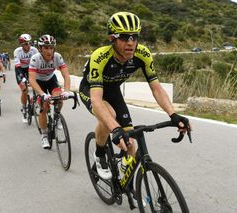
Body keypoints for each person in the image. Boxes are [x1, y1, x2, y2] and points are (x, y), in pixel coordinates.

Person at [79, 12, 191, 180]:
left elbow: (157, 88)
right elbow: (96, 100)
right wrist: (115, 129)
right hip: (91, 90)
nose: (131, 43)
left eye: (134, 37)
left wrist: (173, 114)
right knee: (109, 115)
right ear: (112, 38)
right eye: (124, 37)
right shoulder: (100, 56)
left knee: (130, 142)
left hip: (113, 91)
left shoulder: (143, 54)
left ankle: (129, 184)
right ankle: (100, 154)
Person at [29, 34, 72, 149]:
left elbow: (66, 76)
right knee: (44, 107)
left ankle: (57, 117)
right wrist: (42, 94)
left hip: (51, 80)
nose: (49, 51)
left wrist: (67, 91)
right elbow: (32, 80)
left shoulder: (57, 57)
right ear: (40, 49)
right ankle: (44, 134)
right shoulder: (35, 59)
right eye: (46, 48)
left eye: (51, 47)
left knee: (59, 98)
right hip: (39, 82)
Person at [14, 33, 39, 122]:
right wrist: (22, 77)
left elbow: (38, 63)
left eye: (29, 43)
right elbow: (17, 66)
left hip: (31, 69)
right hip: (21, 70)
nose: (28, 45)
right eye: (25, 44)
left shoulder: (34, 50)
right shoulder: (17, 51)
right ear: (21, 44)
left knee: (38, 86)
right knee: (24, 89)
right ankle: (24, 108)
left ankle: (34, 100)